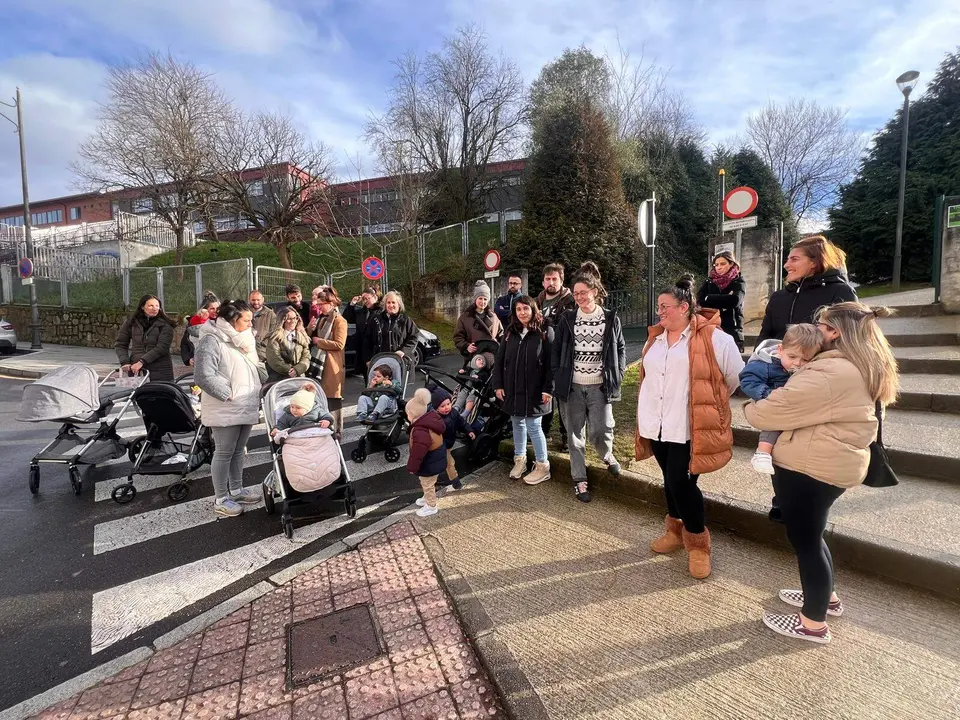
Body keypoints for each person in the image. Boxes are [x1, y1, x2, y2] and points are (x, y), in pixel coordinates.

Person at [744, 302, 899, 644]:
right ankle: (824, 598)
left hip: (811, 467)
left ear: (835, 332)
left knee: (807, 543)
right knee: (813, 538)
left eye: (821, 326)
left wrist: (752, 404)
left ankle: (812, 624)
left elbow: (765, 414)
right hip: (830, 463)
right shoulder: (862, 365)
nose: (815, 332)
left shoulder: (830, 373)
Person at [635, 274, 744, 579]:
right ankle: (674, 531)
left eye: (665, 306)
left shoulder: (714, 338)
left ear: (684, 307)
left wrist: (707, 406)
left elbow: (734, 378)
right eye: (659, 307)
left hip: (689, 428)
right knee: (671, 483)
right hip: (656, 426)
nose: (660, 311)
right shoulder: (655, 339)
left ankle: (697, 543)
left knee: (681, 484)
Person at [551, 262, 626, 503]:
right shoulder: (567, 319)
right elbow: (556, 351)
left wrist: (619, 372)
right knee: (574, 435)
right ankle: (579, 479)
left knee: (601, 429)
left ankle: (607, 455)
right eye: (576, 293)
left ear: (594, 291)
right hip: (572, 386)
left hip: (599, 386)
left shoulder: (610, 318)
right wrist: (558, 374)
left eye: (584, 292)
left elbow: (621, 347)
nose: (580, 297)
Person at [193, 299, 267, 518]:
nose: (250, 325)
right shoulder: (211, 339)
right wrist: (227, 394)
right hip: (226, 405)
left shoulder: (243, 340)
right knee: (224, 452)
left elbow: (253, 365)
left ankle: (236, 490)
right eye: (246, 320)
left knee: (238, 450)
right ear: (233, 319)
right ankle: (221, 498)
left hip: (245, 402)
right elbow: (203, 375)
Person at [740, 324, 822, 474]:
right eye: (792, 357)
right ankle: (762, 453)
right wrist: (767, 394)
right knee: (774, 425)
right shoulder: (765, 365)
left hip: (795, 405)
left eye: (805, 359)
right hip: (774, 402)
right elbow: (747, 380)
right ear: (780, 350)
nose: (797, 363)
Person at [495, 295, 554, 486]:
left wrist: (548, 389)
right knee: (517, 424)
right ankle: (520, 461)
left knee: (534, 427)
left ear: (533, 309)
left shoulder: (545, 331)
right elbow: (500, 360)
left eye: (526, 309)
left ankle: (542, 466)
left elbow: (552, 364)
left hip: (536, 390)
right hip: (513, 388)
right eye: (518, 309)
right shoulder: (510, 332)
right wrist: (498, 384)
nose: (522, 313)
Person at [756, 235, 857, 344]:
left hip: (823, 360)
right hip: (775, 358)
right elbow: (764, 338)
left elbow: (849, 340)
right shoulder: (778, 297)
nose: (786, 265)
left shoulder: (841, 292)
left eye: (794, 259)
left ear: (814, 262)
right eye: (788, 260)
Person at [537, 263, 575, 450]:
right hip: (543, 355)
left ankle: (566, 438)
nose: (551, 282)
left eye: (554, 279)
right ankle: (543, 432)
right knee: (545, 394)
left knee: (563, 397)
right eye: (548, 279)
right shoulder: (538, 301)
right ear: (543, 282)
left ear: (561, 280)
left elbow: (566, 326)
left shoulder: (570, 301)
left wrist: (547, 324)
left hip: (563, 356)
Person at [306, 285, 347, 432]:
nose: (319, 307)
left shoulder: (339, 321)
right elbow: (310, 336)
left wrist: (319, 342)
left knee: (333, 401)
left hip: (332, 365)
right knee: (321, 400)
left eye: (321, 304)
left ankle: (337, 431)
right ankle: (325, 430)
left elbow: (339, 344)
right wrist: (310, 328)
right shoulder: (322, 319)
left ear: (331, 303)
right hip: (320, 366)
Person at [406, 387, 448, 518]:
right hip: (436, 458)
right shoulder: (431, 420)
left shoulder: (420, 429)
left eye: (408, 414)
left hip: (429, 461)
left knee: (427, 483)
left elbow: (418, 452)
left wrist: (412, 467)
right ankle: (426, 497)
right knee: (428, 482)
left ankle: (431, 506)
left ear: (413, 415)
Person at [114, 294, 176, 382]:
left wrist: (142, 362)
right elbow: (120, 344)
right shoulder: (131, 323)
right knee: (139, 394)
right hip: (136, 369)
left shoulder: (165, 325)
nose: (154, 308)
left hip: (160, 369)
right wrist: (125, 362)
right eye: (150, 306)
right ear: (142, 307)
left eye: (157, 306)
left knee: (162, 394)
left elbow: (162, 348)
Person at [697, 252, 747, 351]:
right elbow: (700, 299)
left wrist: (709, 298)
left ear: (731, 264)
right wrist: (725, 298)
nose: (719, 267)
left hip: (732, 329)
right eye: (716, 265)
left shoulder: (738, 281)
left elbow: (735, 300)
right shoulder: (709, 281)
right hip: (711, 327)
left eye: (723, 264)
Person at [429, 385, 475, 492]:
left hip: (447, 444)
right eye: (442, 406)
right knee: (448, 463)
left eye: (448, 404)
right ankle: (455, 483)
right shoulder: (434, 419)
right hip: (438, 446)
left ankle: (438, 482)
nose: (447, 408)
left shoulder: (453, 412)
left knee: (445, 463)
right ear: (436, 408)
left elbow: (461, 422)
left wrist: (469, 430)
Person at [454, 280, 502, 372]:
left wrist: (498, 344)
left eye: (485, 299)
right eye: (480, 298)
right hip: (474, 359)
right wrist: (466, 346)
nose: (482, 302)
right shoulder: (465, 317)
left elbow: (501, 334)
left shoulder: (494, 317)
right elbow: (458, 337)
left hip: (492, 359)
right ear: (475, 299)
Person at [363, 291, 419, 365]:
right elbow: (367, 341)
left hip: (401, 363)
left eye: (393, 302)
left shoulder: (406, 320)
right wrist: (368, 359)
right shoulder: (376, 320)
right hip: (381, 363)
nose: (391, 305)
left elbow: (414, 337)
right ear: (385, 305)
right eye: (388, 302)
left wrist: (403, 351)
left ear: (399, 304)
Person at [265, 306, 311, 382]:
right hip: (278, 379)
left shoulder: (302, 336)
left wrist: (298, 369)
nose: (293, 321)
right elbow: (274, 359)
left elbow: (306, 356)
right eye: (289, 319)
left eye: (295, 318)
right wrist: (289, 371)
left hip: (299, 377)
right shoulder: (274, 337)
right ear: (282, 321)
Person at [343, 286, 382, 375]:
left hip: (375, 351)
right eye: (363, 299)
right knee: (367, 379)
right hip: (362, 351)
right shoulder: (362, 312)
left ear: (375, 297)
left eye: (367, 298)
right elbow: (347, 318)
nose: (365, 301)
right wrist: (352, 303)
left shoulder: (381, 312)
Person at [181, 292, 220, 367]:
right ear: (204, 310)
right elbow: (184, 344)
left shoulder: (222, 322)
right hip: (201, 363)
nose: (215, 311)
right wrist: (188, 359)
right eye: (212, 308)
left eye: (217, 308)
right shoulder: (194, 324)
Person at [248, 290, 277, 363]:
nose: (256, 302)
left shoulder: (270, 315)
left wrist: (262, 344)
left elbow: (274, 333)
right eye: (253, 300)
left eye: (258, 300)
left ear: (263, 299)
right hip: (246, 350)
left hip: (263, 354)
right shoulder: (244, 312)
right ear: (249, 300)